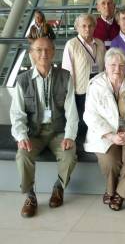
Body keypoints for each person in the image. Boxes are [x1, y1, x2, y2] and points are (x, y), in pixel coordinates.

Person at [10, 37, 78, 218]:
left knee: (69, 155)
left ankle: (59, 187)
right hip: (34, 133)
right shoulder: (22, 80)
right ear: (31, 53)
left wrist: (70, 135)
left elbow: (72, 111)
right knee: (22, 155)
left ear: (54, 52)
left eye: (48, 49)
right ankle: (30, 195)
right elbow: (17, 114)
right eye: (38, 50)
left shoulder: (65, 77)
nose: (43, 54)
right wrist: (21, 136)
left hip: (58, 131)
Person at [83, 48, 125, 211]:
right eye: (112, 65)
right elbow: (90, 115)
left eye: (121, 65)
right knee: (110, 161)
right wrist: (111, 136)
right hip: (105, 133)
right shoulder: (95, 85)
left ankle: (119, 194)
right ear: (105, 65)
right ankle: (110, 188)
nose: (117, 69)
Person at [62, 14, 106, 141]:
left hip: (98, 91)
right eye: (84, 26)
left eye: (91, 25)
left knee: (97, 121)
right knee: (82, 123)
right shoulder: (71, 45)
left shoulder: (100, 44)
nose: (87, 29)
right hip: (80, 92)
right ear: (77, 28)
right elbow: (67, 72)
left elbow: (104, 68)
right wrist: (70, 93)